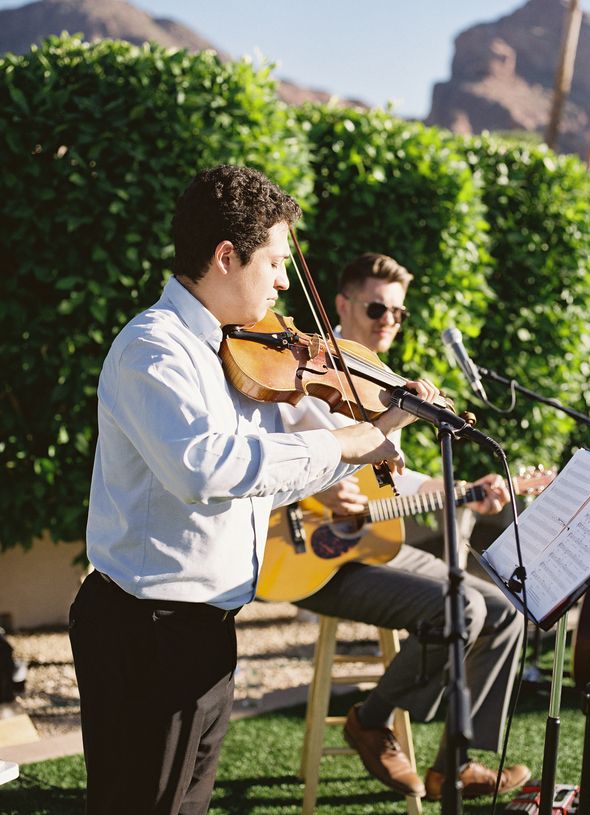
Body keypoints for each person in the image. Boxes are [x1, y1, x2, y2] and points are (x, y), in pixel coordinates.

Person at [68, 167, 438, 815]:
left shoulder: (240, 352)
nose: (283, 281)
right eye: (273, 261)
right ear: (225, 256)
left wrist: (379, 428)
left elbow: (276, 472)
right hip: (146, 629)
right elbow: (207, 470)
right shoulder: (154, 349)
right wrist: (349, 443)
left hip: (204, 624)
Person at [278, 252, 531, 801]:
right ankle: (371, 719)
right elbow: (276, 454)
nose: (388, 320)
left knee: (507, 613)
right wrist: (318, 482)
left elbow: (394, 485)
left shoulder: (377, 383)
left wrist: (469, 492)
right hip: (311, 556)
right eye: (376, 307)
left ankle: (454, 767)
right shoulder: (297, 376)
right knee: (460, 608)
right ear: (341, 305)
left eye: (398, 312)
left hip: (373, 544)